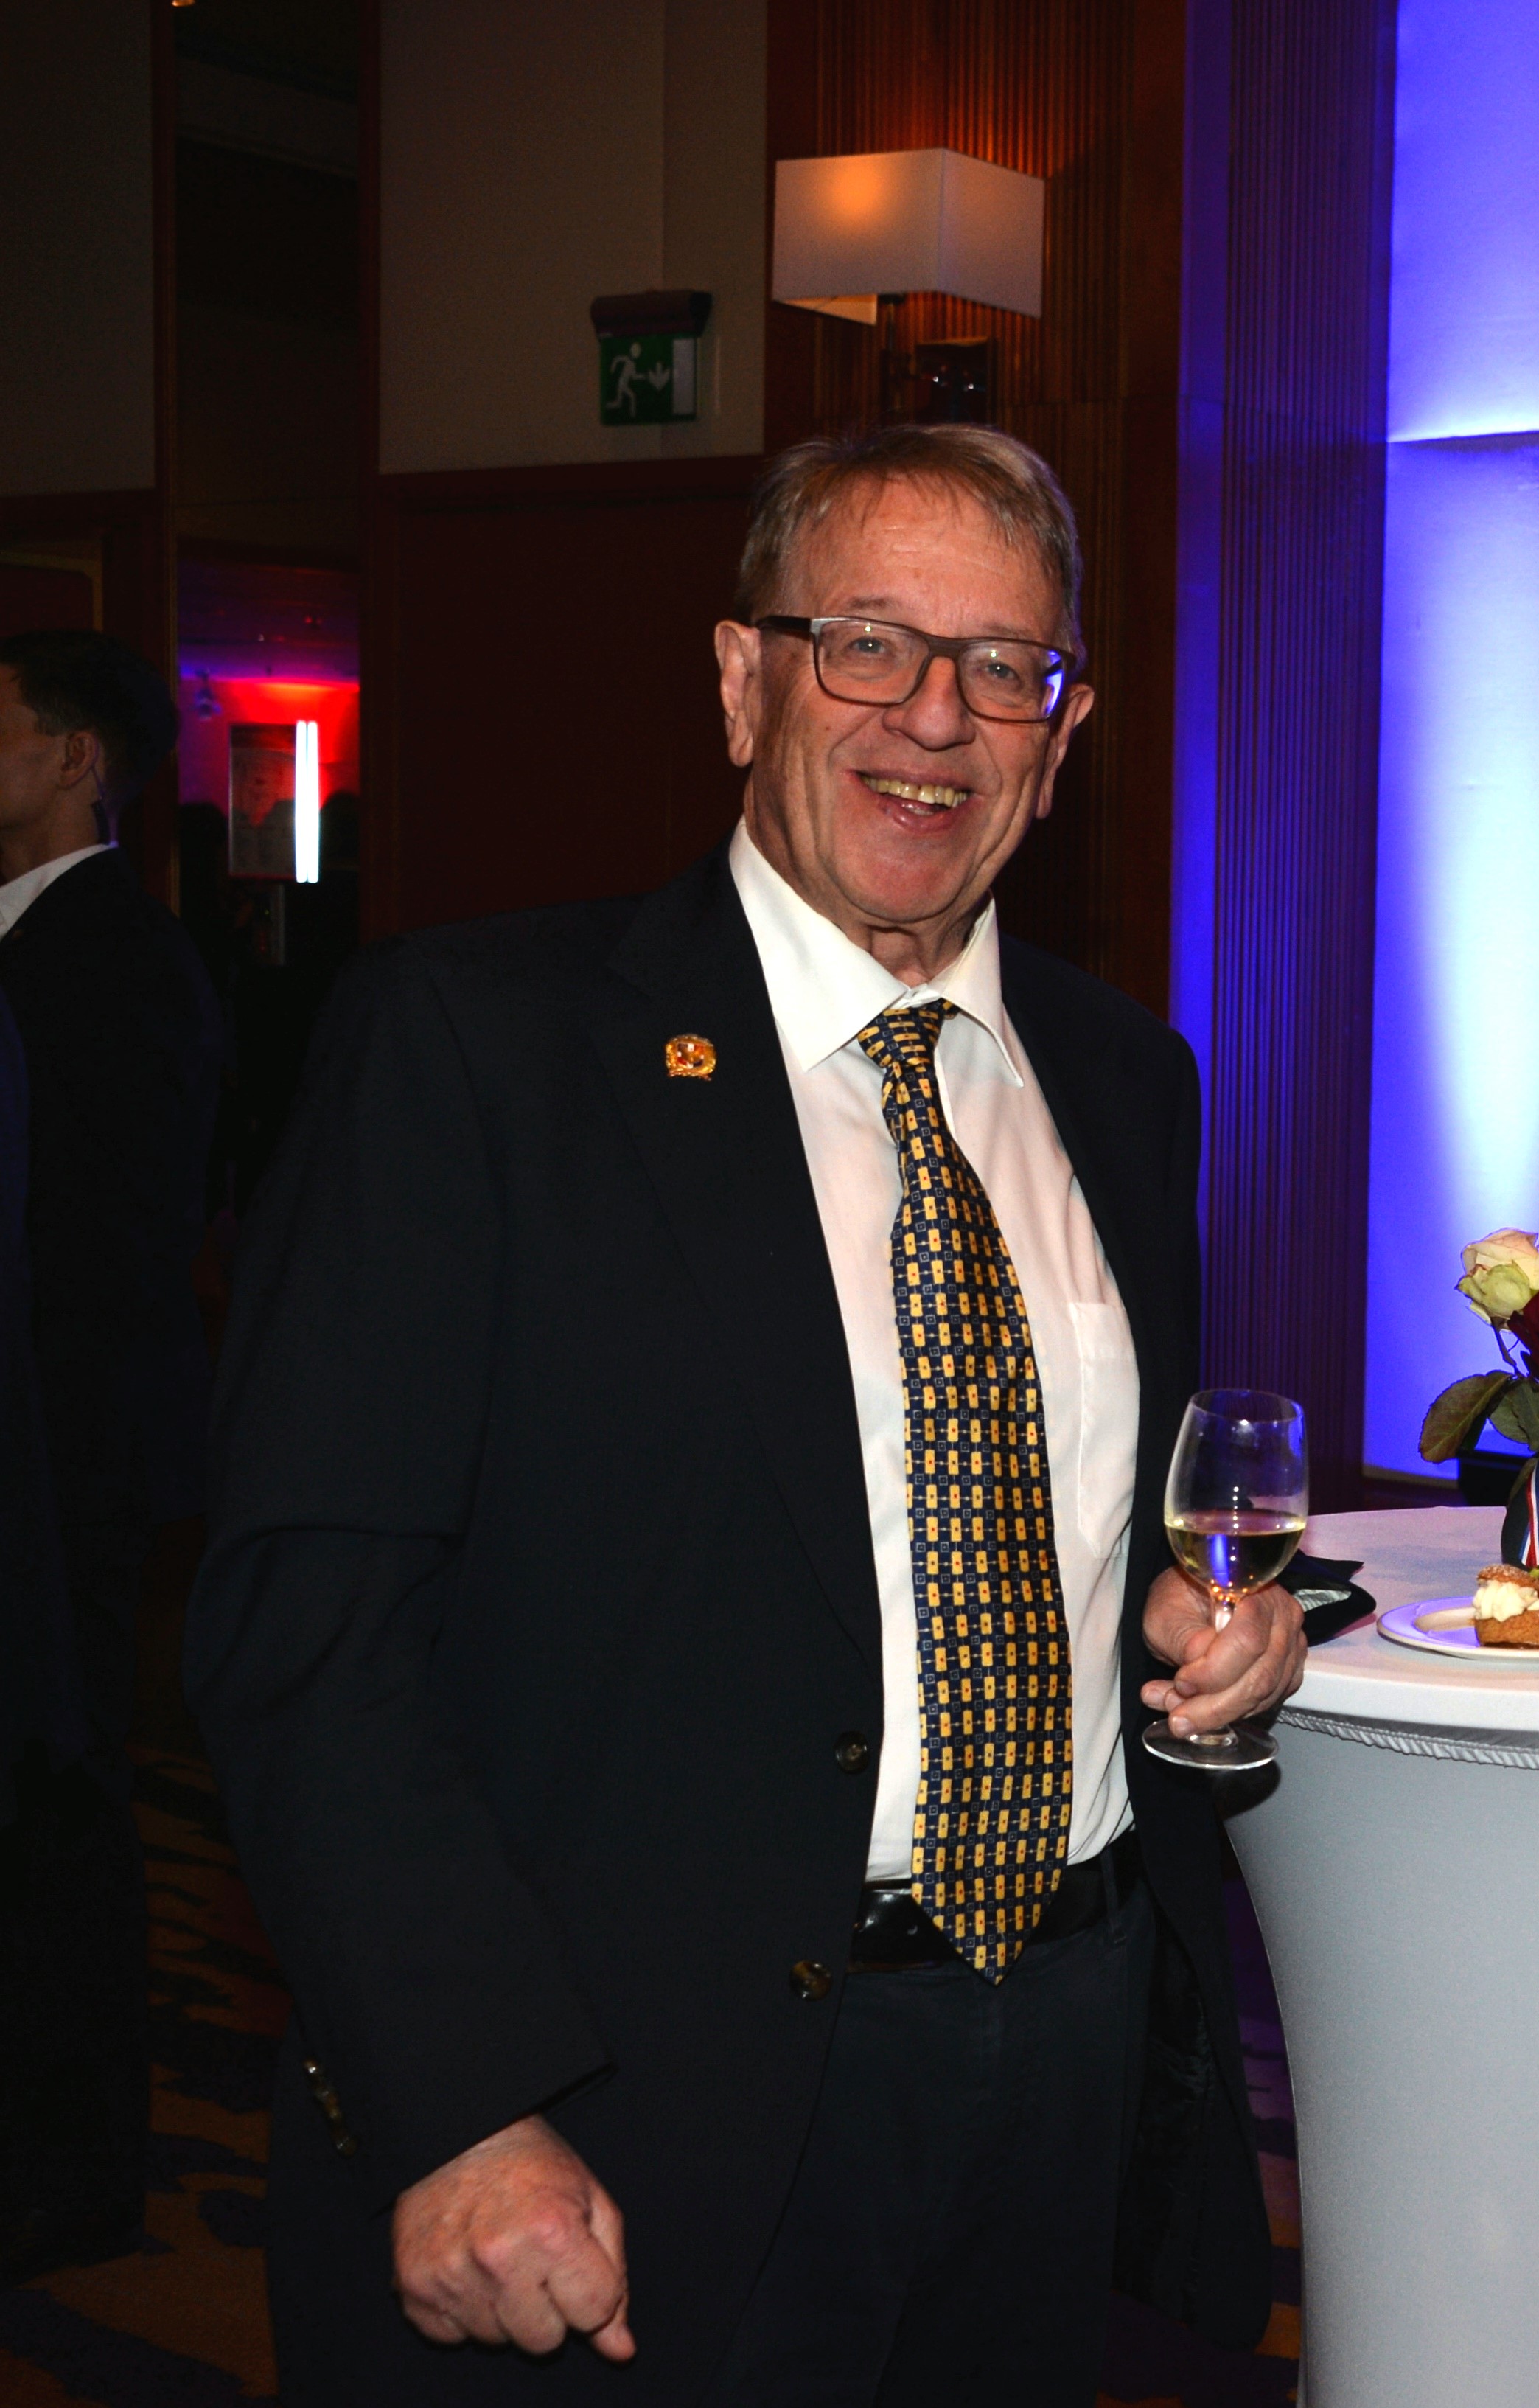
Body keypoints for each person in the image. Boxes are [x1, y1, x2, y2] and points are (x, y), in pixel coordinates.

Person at [189, 423, 1308, 2403]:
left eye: (1004, 668)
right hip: (627, 2097)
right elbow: (309, 1632)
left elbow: (1047, 1518)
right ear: (740, 681)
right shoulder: (475, 1049)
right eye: (867, 642)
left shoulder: (1126, 1078)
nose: (934, 718)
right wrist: (462, 2097)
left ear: (1063, 732)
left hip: (1057, 2059)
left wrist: (1184, 1626)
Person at [0, 627, 225, 2280]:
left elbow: (113, 1251)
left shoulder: (119, 962)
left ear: (78, 759)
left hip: (61, 1455)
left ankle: (74, 2177)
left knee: (61, 1803)